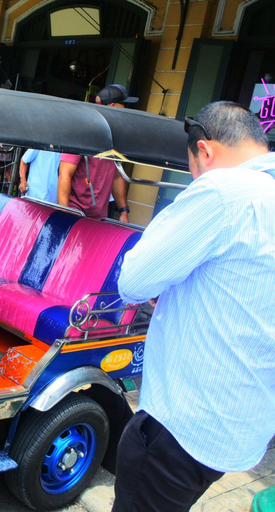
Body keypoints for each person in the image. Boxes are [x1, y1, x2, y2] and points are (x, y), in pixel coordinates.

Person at [112, 101, 275, 512]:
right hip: (243, 423)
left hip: (183, 423)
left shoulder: (223, 191)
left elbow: (134, 281)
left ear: (205, 151)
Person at [57, 84, 136, 221]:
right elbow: (65, 173)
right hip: (76, 213)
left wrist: (123, 211)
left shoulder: (117, 137)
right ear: (112, 105)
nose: (126, 109)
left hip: (99, 217)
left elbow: (117, 176)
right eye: (124, 104)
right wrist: (65, 213)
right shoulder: (83, 131)